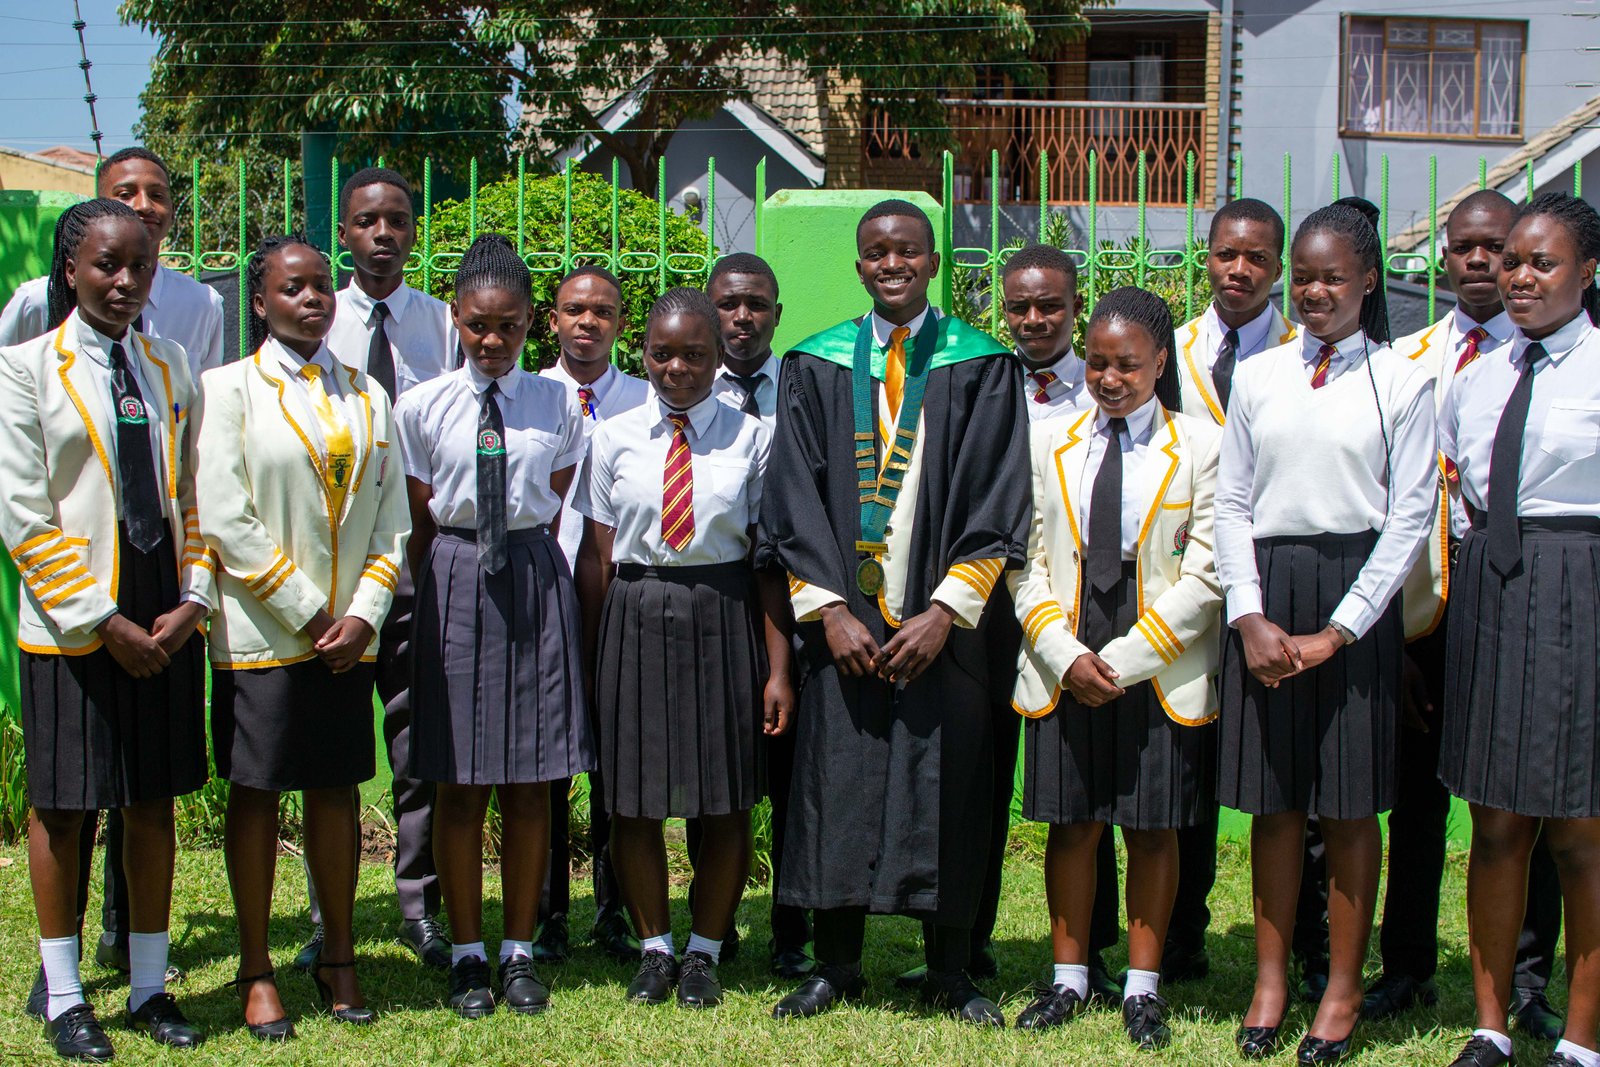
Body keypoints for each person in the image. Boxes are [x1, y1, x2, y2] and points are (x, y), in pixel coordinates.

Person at [759, 199, 1030, 1026]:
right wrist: (828, 611)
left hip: (941, 623)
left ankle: (950, 967)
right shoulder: (814, 364)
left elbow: (998, 497)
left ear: (933, 261)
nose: (892, 263)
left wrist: (948, 609)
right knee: (837, 782)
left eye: (907, 250)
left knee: (948, 786)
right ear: (859, 265)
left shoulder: (982, 366)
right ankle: (836, 964)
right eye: (877, 251)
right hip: (845, 619)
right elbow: (792, 498)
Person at [1214, 198, 1437, 1062]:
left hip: (1356, 601)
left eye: (1332, 277)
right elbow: (1231, 501)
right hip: (1267, 593)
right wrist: (1247, 613)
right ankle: (1271, 982)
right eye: (1303, 277)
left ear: (1368, 280)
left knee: (1346, 808)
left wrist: (1339, 631)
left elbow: (1409, 516)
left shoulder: (1403, 379)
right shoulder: (1259, 376)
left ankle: (1341, 990)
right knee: (1275, 806)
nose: (1314, 291)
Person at [1, 148, 224, 1011]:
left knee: (152, 802)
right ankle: (63, 993)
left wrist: (193, 599)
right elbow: (25, 514)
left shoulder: (171, 367)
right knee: (64, 807)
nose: (126, 281)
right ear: (72, 270)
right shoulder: (25, 370)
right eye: (107, 265)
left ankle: (147, 987)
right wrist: (102, 620)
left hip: (162, 611)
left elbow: (194, 494)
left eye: (140, 265)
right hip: (74, 621)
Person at [195, 234, 409, 1040]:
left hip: (347, 639)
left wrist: (364, 613)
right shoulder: (227, 390)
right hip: (265, 633)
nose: (313, 298)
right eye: (293, 287)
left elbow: (391, 520)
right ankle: (257, 967)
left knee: (336, 789)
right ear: (259, 302)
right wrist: (313, 614)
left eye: (322, 285)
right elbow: (225, 516)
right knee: (256, 793)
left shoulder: (367, 392)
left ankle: (338, 956)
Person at [895, 243, 1120, 1000]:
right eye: (1019, 306)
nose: (1034, 319)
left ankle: (1092, 949)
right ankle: (969, 939)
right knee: (976, 777)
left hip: (1071, 608)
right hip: (979, 608)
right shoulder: (974, 377)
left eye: (1050, 305)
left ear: (1075, 306)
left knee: (1086, 781)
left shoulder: (1104, 390)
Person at [1369, 189, 1565, 1034]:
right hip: (1424, 615)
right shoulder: (1406, 360)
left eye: (1499, 246)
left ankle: (1527, 982)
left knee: (1532, 797)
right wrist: (1397, 634)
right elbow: (1393, 502)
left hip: (1521, 606)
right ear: (1443, 258)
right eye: (1465, 246)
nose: (1482, 261)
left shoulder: (1560, 358)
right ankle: (1406, 965)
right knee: (1415, 800)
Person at [1008, 286, 1221, 1050]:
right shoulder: (1050, 441)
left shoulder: (1202, 445)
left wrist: (1123, 660)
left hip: (1155, 650)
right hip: (1069, 640)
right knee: (1073, 823)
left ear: (1161, 361)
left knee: (1151, 825)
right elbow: (1026, 562)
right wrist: (1065, 654)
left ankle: (1142, 985)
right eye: (1097, 362)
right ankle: (1069, 977)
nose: (1109, 378)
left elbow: (1207, 573)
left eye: (1127, 364)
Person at [572, 287, 794, 1009]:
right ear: (642, 352)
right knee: (633, 802)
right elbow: (597, 558)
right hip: (635, 614)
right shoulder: (612, 437)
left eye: (694, 354)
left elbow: (767, 565)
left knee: (725, 800)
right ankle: (655, 948)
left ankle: (704, 950)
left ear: (717, 355)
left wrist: (778, 669)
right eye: (662, 353)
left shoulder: (751, 438)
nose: (677, 368)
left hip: (723, 614)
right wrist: (592, 659)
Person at [395, 234, 595, 1019]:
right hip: (453, 577)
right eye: (478, 324)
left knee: (530, 779)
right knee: (459, 778)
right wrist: (440, 595)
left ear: (530, 322)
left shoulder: (557, 404)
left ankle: (518, 950)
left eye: (508, 326)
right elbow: (420, 515)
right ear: (456, 316)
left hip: (532, 577)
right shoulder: (422, 406)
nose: (492, 340)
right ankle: (466, 953)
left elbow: (554, 491)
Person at [1436, 192, 1600, 1067]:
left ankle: (1580, 1038)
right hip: (1492, 596)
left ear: (1587, 271)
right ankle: (1491, 1024)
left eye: (1543, 262)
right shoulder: (1478, 375)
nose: (1521, 276)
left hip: (1583, 591)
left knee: (1580, 829)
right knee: (1496, 824)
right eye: (1514, 261)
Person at [295, 166, 457, 973]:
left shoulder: (444, 324)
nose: (383, 233)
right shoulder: (315, 322)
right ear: (344, 233)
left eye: (397, 219)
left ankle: (420, 906)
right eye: (366, 221)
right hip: (332, 580)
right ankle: (326, 916)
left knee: (417, 746)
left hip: (418, 565)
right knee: (326, 755)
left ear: (413, 230)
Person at [1168, 198, 1299, 987]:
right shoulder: (1173, 349)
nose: (1240, 270)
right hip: (1183, 584)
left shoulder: (1305, 350)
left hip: (1271, 582)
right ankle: (1181, 934)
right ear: (1207, 257)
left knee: (1287, 772)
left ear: (1278, 266)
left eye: (1256, 257)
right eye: (1226, 254)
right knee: (1183, 760)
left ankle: (1305, 943)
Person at [534, 264, 649, 965]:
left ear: (620, 324)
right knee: (546, 763)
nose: (587, 322)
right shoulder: (529, 396)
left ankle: (614, 908)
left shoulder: (646, 398)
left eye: (602, 311)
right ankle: (547, 911)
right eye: (574, 309)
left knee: (615, 760)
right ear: (552, 320)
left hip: (619, 598)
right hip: (542, 599)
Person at [703, 251, 813, 979]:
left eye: (757, 304)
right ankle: (712, 922)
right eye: (729, 303)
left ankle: (792, 927)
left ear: (777, 313)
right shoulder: (683, 386)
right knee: (712, 772)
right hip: (716, 602)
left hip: (796, 604)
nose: (743, 317)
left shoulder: (805, 386)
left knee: (794, 776)